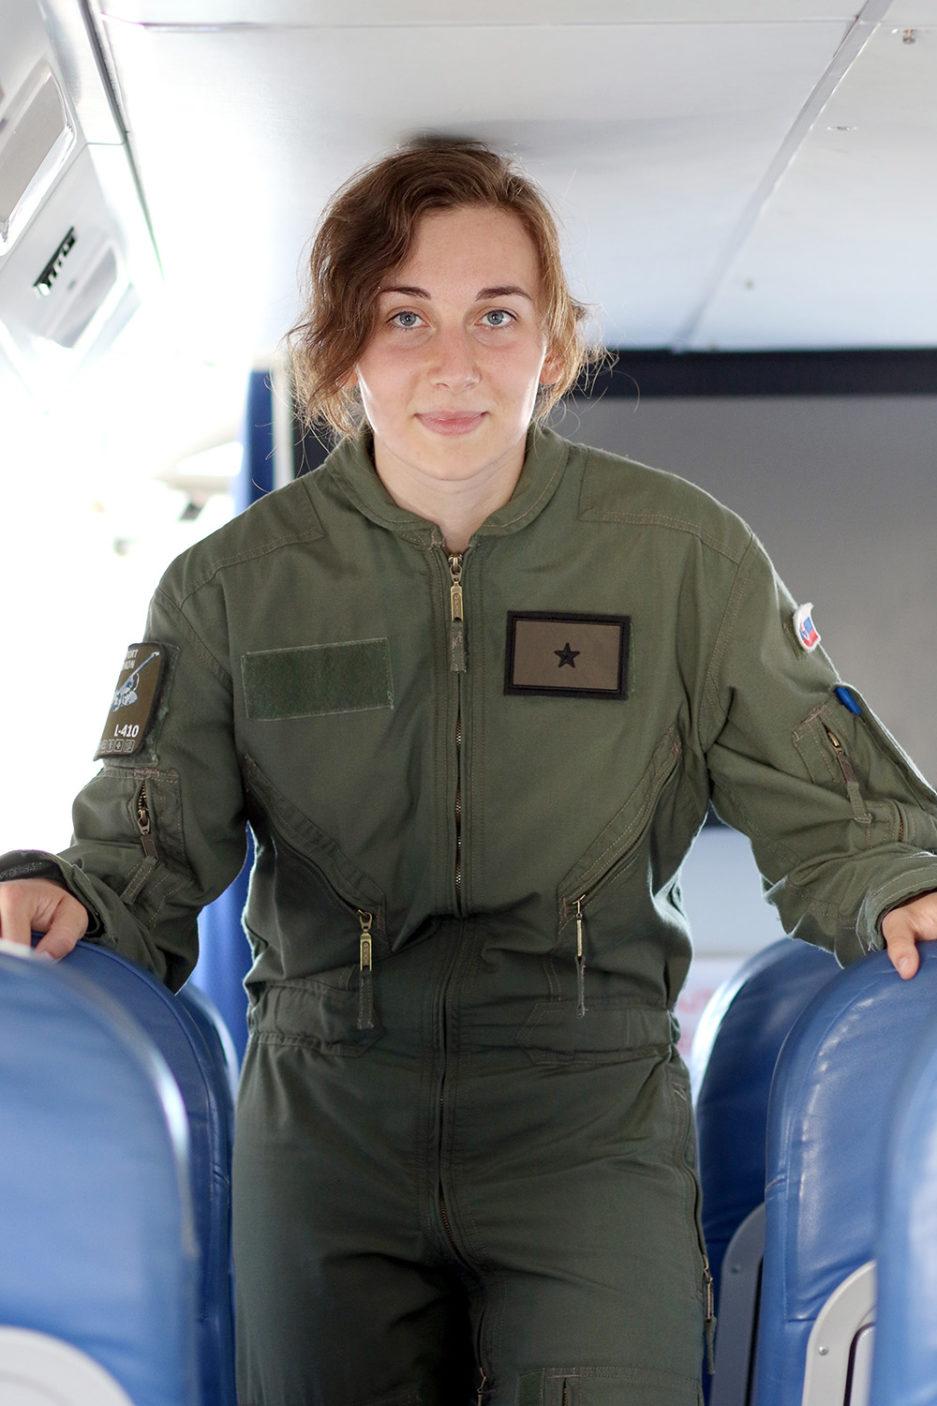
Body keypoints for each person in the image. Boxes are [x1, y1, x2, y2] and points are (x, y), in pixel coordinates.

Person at [2, 136, 937, 1406]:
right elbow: (140, 859)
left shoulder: (684, 558)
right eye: (405, 316)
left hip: (588, 1111)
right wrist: (66, 898)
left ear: (551, 344)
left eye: (496, 314)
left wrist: (899, 881)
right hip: (329, 1110)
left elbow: (839, 809)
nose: (453, 363)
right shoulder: (229, 589)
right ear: (344, 346)